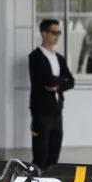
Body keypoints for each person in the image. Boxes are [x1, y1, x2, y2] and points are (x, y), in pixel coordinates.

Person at [28, 19, 74, 171]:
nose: (57, 36)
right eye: (54, 33)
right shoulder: (35, 57)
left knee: (54, 152)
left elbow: (71, 81)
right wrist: (58, 81)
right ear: (44, 33)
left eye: (59, 33)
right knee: (41, 152)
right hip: (41, 110)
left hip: (56, 111)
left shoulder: (59, 58)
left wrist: (56, 85)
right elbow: (44, 80)